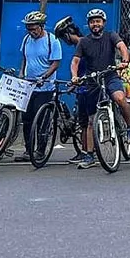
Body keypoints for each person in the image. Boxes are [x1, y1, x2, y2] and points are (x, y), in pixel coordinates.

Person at [71, 8, 130, 169]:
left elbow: (122, 47)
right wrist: (74, 76)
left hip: (110, 76)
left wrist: (125, 61)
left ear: (103, 23)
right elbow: (75, 61)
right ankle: (89, 156)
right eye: (92, 22)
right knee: (92, 120)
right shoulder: (84, 41)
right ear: (89, 24)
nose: (95, 24)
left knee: (120, 99)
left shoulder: (111, 35)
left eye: (98, 21)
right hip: (93, 81)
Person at [15, 11, 62, 163]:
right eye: (29, 29)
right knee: (27, 119)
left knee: (41, 119)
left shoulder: (52, 40)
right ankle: (29, 151)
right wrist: (21, 73)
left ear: (41, 27)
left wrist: (44, 77)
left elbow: (55, 63)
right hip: (29, 86)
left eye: (34, 28)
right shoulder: (27, 39)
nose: (31, 31)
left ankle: (40, 151)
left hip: (45, 87)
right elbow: (24, 58)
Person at [53, 16, 87, 163]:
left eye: (63, 37)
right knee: (80, 117)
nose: (63, 41)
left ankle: (86, 151)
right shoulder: (80, 45)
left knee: (84, 120)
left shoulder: (82, 44)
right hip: (81, 83)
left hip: (87, 85)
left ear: (67, 34)